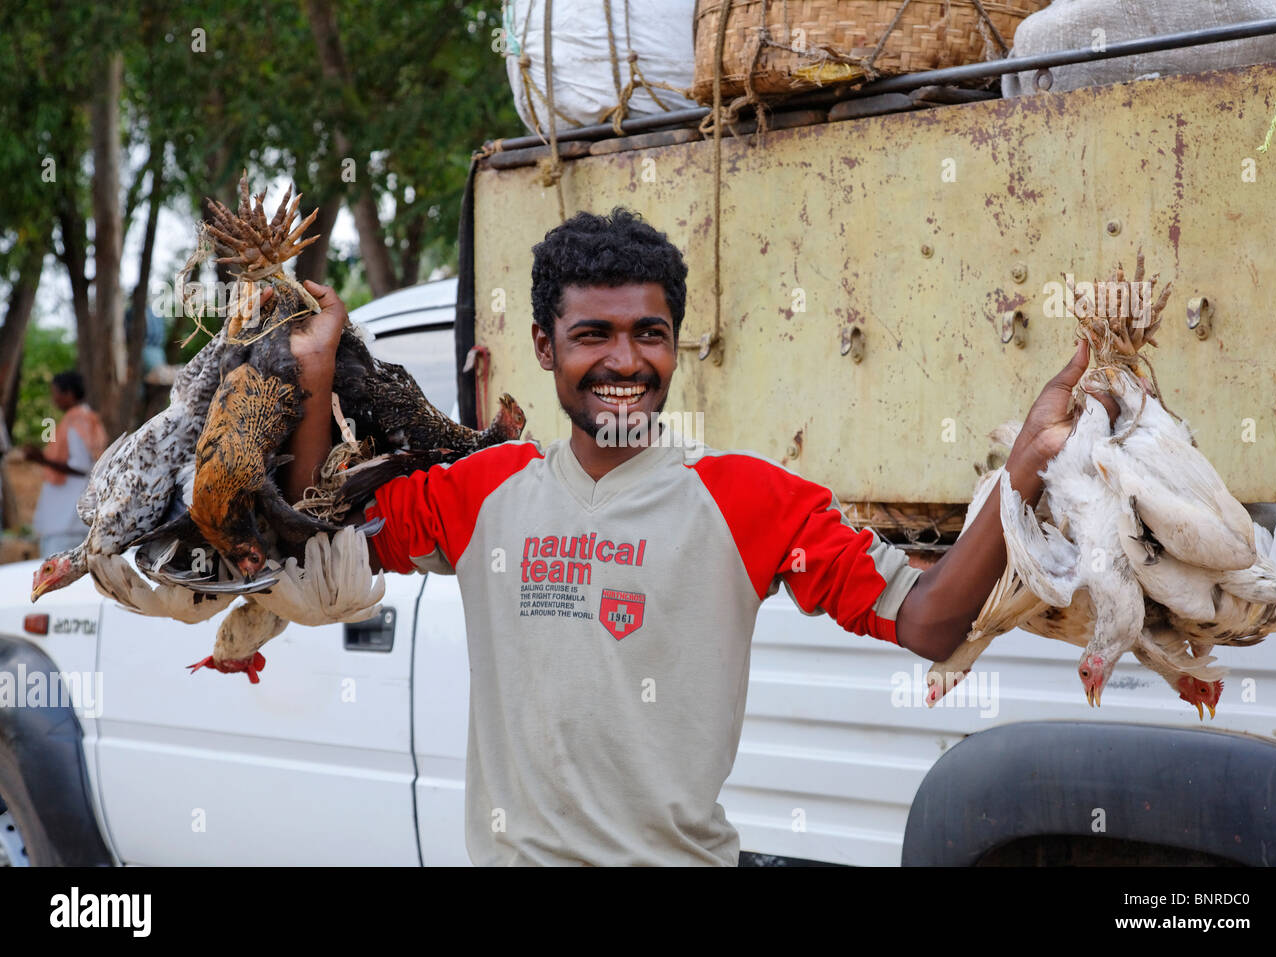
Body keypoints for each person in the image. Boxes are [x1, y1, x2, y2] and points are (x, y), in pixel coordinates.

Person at [284, 209, 1114, 866]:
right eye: (592, 335)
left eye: (648, 332)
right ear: (544, 346)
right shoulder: (481, 492)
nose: (625, 360)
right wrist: (315, 378)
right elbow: (316, 531)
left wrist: (1024, 469)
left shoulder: (749, 501)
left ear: (674, 345)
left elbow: (931, 623)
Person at [29, 371, 108, 556]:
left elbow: (81, 466)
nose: (53, 399)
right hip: (68, 516)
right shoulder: (86, 417)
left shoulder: (77, 419)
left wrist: (41, 460)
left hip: (66, 518)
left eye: (56, 393)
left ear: (69, 394)